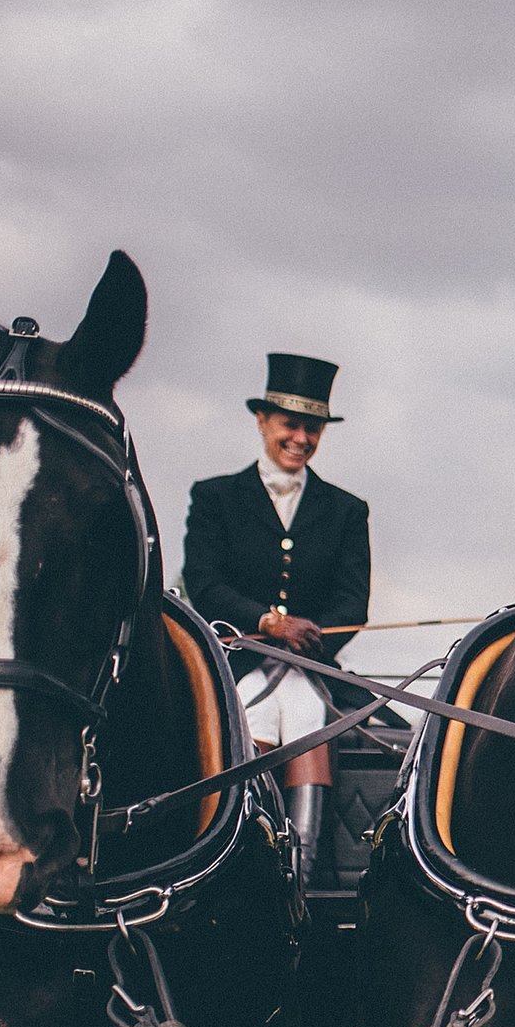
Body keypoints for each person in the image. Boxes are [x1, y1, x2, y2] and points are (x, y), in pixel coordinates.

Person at [180, 353, 370, 862]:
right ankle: (247, 849)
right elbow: (204, 581)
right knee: (253, 708)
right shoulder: (215, 498)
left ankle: (301, 863)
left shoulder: (348, 511)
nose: (301, 439)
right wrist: (266, 623)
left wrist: (308, 638)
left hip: (312, 664)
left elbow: (353, 602)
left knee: (307, 708)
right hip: (240, 655)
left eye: (313, 429)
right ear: (263, 420)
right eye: (290, 424)